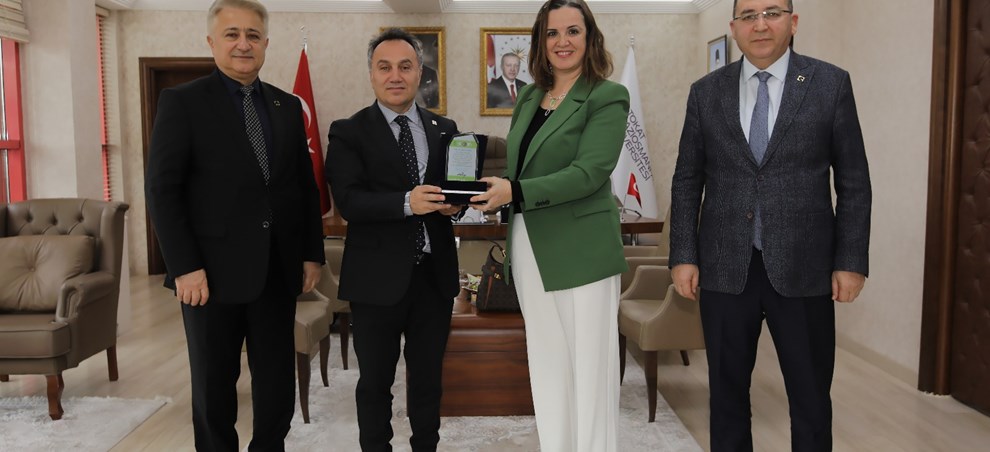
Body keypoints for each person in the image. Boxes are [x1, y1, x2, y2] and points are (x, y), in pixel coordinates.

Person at [669, 1, 872, 450]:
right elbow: (686, 180)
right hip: (724, 268)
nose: (760, 24)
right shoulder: (706, 92)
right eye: (749, 15)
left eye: (773, 12)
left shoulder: (830, 84)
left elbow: (854, 182)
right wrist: (683, 254)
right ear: (734, 28)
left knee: (810, 400)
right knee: (725, 398)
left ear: (792, 22)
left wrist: (851, 261)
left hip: (805, 269)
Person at [144, 0, 326, 450]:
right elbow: (163, 191)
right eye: (232, 34)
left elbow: (304, 188)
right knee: (214, 387)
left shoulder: (287, 106)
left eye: (253, 35)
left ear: (266, 43)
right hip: (208, 276)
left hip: (276, 271)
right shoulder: (182, 102)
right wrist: (184, 266)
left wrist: (311, 253)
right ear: (212, 42)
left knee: (276, 385)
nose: (243, 44)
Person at [470, 1, 629, 450]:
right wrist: (485, 193)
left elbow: (588, 173)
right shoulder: (528, 96)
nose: (562, 42)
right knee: (546, 364)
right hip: (528, 244)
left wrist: (514, 191)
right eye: (552, 33)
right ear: (540, 42)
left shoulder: (607, 95)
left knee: (590, 371)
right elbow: (519, 168)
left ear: (589, 37)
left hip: (583, 250)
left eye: (572, 31)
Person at [324, 28, 462, 451]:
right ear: (372, 74)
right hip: (375, 281)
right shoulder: (348, 131)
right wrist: (407, 202)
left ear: (420, 73)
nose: (395, 76)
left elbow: (455, 189)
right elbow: (349, 201)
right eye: (385, 67)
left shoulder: (445, 128)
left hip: (434, 279)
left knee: (428, 381)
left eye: (405, 66)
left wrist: (455, 205)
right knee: (375, 384)